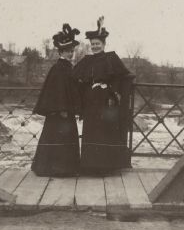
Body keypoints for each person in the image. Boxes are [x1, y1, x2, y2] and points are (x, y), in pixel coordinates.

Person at [73, 16, 131, 174]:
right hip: (90, 102)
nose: (95, 47)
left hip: (106, 102)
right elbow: (75, 77)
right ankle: (90, 166)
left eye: (98, 44)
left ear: (104, 44)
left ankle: (106, 167)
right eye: (93, 44)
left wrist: (110, 87)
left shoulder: (111, 58)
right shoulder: (87, 60)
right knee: (91, 132)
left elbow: (123, 77)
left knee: (105, 132)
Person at [31, 24, 82, 177]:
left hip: (66, 110)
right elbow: (58, 90)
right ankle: (58, 169)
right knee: (58, 136)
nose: (70, 54)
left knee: (60, 137)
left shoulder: (68, 67)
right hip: (61, 112)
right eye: (67, 51)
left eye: (72, 51)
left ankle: (63, 168)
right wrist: (63, 109)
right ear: (61, 52)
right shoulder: (59, 68)